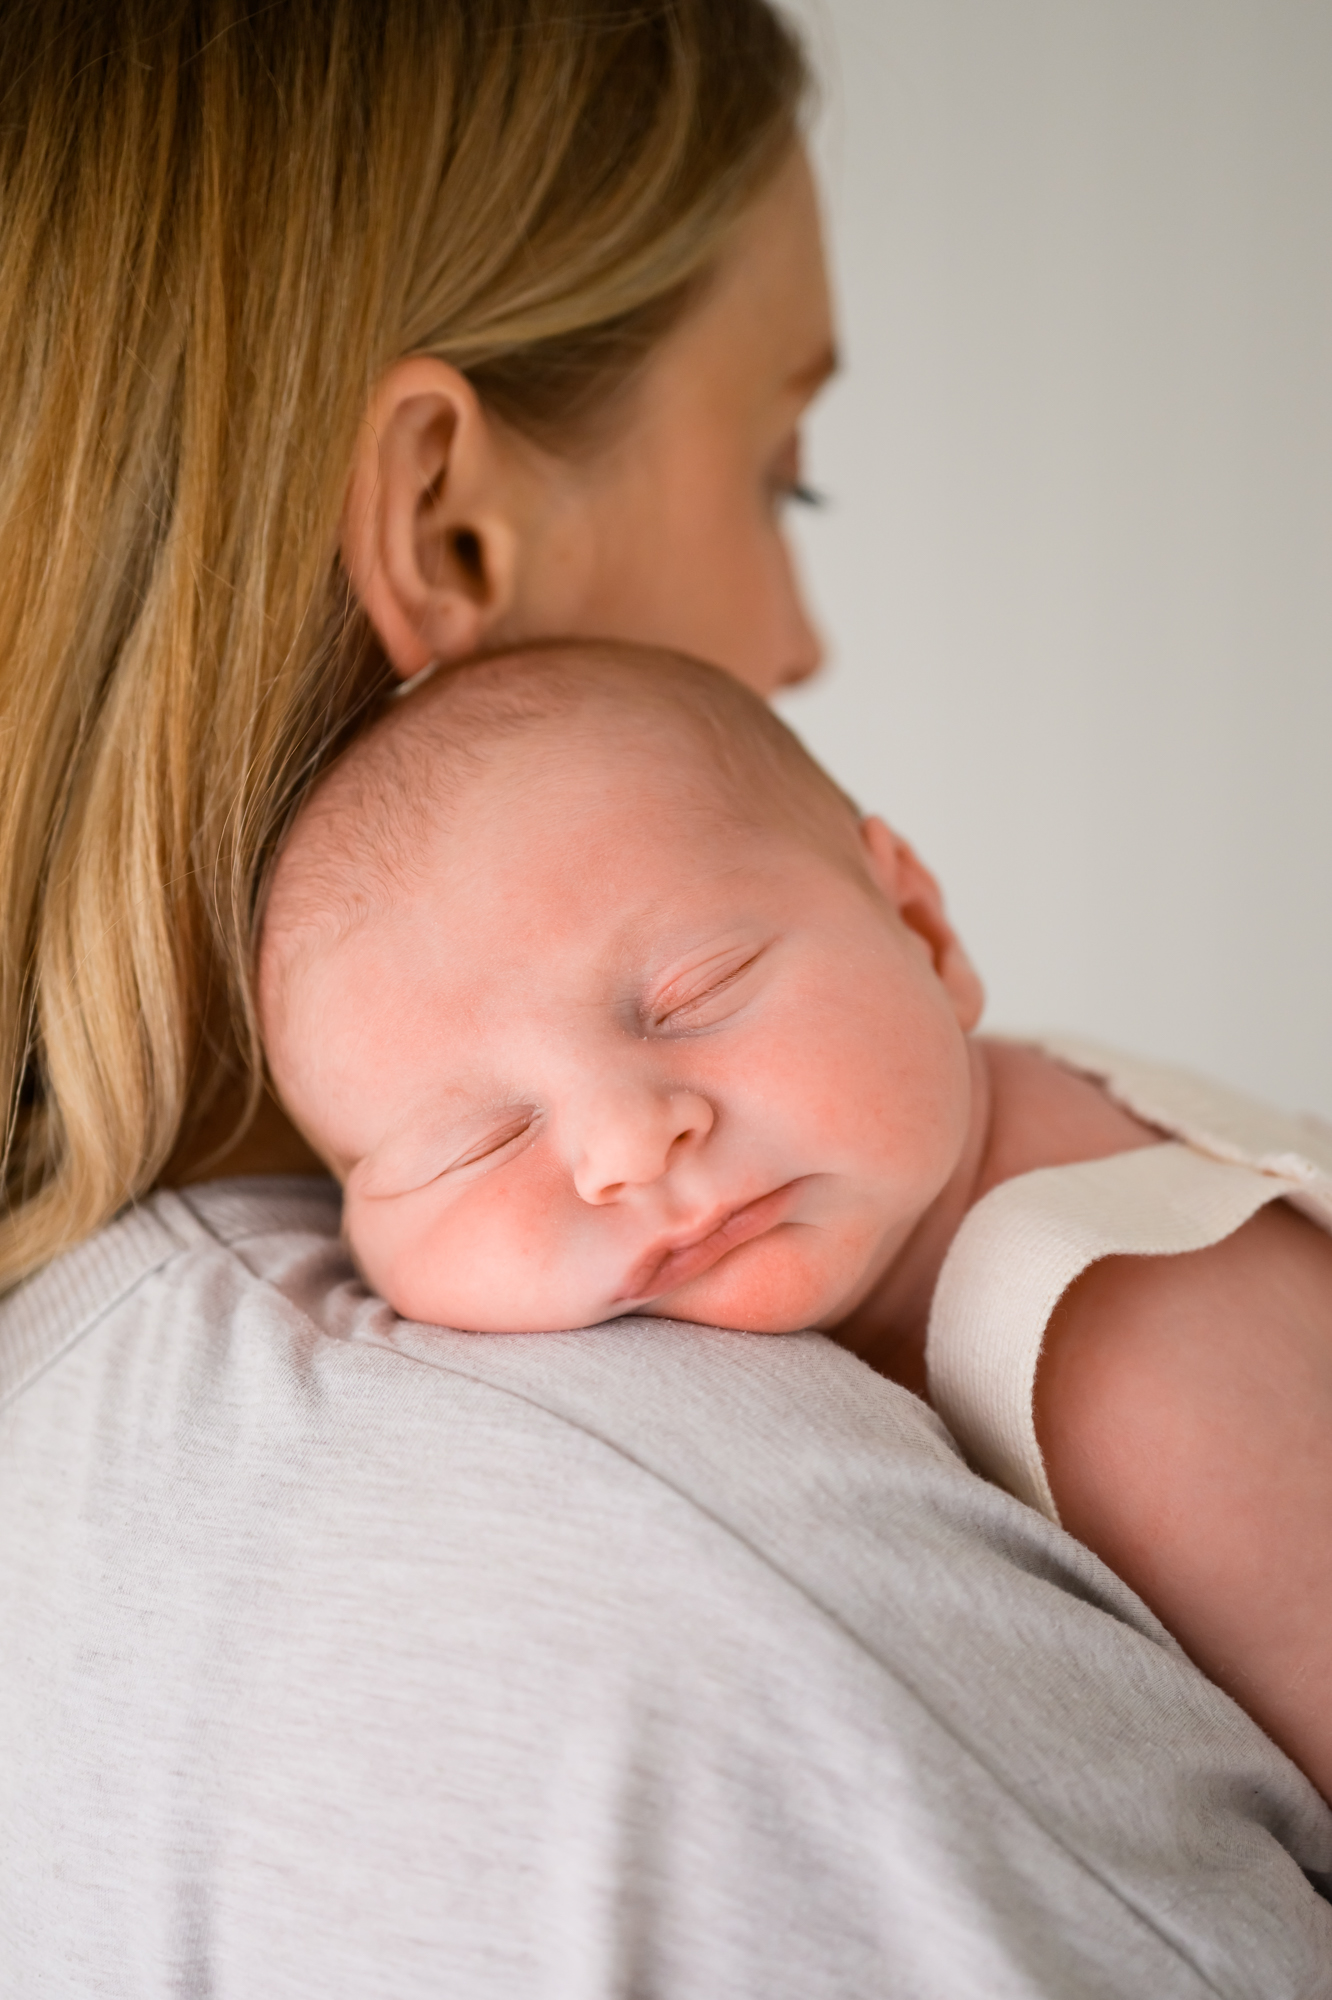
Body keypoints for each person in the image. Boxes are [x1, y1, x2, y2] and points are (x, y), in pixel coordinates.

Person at [2, 3, 1331, 1993]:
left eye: (691, 991)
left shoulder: (101, 1412)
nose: (798, 640)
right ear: (448, 526)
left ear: (917, 908)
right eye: (779, 476)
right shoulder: (678, 1569)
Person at [256, 638, 1332, 1806]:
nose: (626, 1146)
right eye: (477, 1141)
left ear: (920, 925)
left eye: (694, 994)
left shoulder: (1134, 1356)